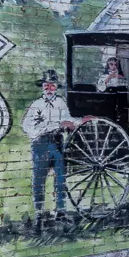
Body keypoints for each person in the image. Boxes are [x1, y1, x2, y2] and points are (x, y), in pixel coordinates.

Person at [21, 69, 77, 225]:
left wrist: (74, 123)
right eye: (46, 86)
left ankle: (60, 211)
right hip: (41, 144)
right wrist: (50, 126)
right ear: (42, 87)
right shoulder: (36, 105)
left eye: (52, 86)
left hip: (58, 142)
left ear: (56, 87)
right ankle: (39, 213)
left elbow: (67, 119)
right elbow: (27, 126)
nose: (49, 89)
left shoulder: (60, 102)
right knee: (39, 179)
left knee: (60, 178)